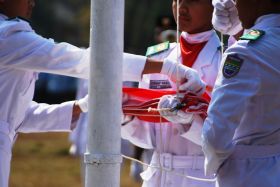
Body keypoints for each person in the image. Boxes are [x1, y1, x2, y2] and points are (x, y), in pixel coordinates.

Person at [0, 0, 207, 186]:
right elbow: (82, 61)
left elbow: (16, 116)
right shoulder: (8, 35)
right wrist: (165, 68)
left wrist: (79, 107)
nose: (33, 2)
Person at [121, 0, 222, 186]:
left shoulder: (225, 59)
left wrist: (189, 122)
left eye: (193, 1)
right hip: (157, 174)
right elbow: (147, 137)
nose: (182, 8)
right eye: (177, 0)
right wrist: (126, 119)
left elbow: (228, 136)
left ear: (214, 4)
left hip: (202, 176)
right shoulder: (157, 58)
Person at [201, 0, 280, 186]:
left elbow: (215, 136)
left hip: (248, 172)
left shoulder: (245, 51)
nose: (235, 5)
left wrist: (219, 165)